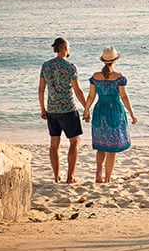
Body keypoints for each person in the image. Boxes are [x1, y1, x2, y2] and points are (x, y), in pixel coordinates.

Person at [83, 46, 138, 183]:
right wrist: (132, 113)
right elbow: (124, 97)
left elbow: (91, 96)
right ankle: (107, 179)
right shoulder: (119, 77)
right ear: (115, 60)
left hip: (99, 111)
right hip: (113, 111)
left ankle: (98, 174)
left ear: (103, 60)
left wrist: (86, 110)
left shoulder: (95, 77)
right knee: (111, 148)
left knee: (101, 145)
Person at [38, 37, 86, 183]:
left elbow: (41, 90)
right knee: (74, 141)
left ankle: (56, 176)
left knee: (54, 143)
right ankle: (70, 177)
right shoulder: (70, 67)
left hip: (52, 110)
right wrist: (87, 108)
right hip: (68, 109)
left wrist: (43, 109)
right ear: (64, 48)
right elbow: (77, 91)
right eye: (68, 47)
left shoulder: (46, 66)